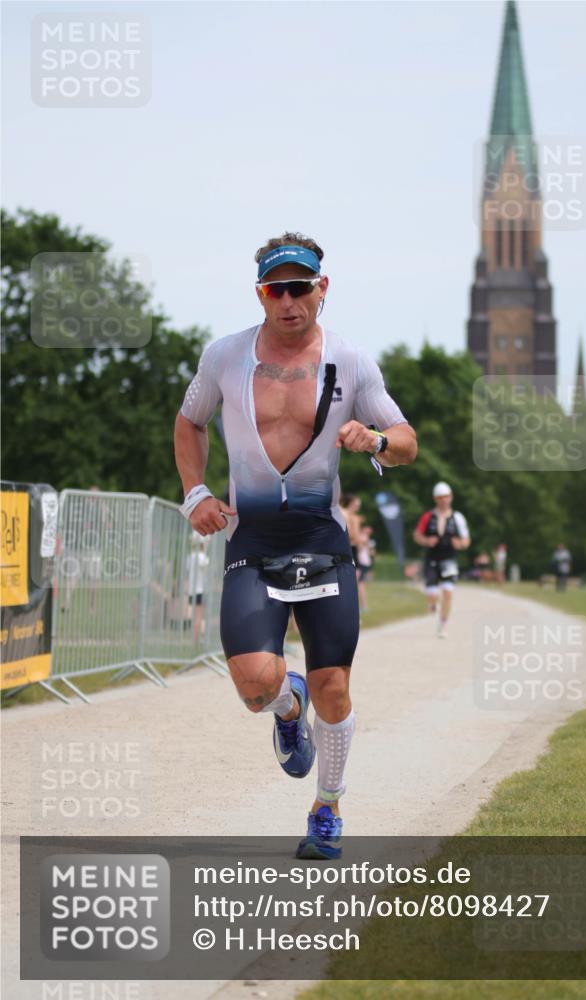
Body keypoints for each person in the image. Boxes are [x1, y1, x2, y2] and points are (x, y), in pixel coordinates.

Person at [173, 232, 417, 859]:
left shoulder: (351, 361)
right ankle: (288, 704)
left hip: (320, 537)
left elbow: (406, 438)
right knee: (254, 683)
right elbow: (189, 420)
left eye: (299, 287)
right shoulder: (224, 357)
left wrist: (377, 442)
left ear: (321, 289)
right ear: (260, 294)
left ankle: (327, 808)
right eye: (274, 288)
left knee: (335, 684)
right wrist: (196, 492)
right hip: (252, 534)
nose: (287, 300)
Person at [413, 482, 470, 637]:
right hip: (431, 559)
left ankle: (443, 625)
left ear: (450, 497)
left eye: (446, 497)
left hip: (449, 559)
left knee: (448, 592)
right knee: (432, 595)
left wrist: (460, 543)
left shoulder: (457, 517)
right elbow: (417, 535)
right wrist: (426, 541)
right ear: (435, 499)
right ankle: (433, 604)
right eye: (440, 497)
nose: (443, 500)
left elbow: (466, 540)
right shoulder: (428, 516)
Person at [187, 534, 210, 643]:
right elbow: (206, 569)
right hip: (199, 590)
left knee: (194, 616)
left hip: (191, 590)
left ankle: (195, 638)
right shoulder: (202, 557)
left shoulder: (190, 556)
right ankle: (196, 640)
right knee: (199, 616)